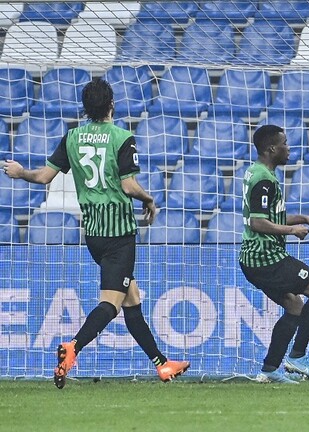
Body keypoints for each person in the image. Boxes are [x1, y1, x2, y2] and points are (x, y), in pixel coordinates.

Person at [3, 78, 189, 388]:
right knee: (111, 304)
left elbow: (45, 176)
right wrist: (149, 199)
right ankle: (72, 347)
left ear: (86, 108)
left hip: (93, 233)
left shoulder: (72, 137)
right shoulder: (122, 137)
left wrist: (20, 172)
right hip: (119, 235)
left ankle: (162, 364)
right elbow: (129, 185)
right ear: (112, 105)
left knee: (131, 299)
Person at [239, 125, 309, 384]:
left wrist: (304, 219)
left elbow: (269, 216)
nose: (288, 148)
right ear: (271, 148)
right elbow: (257, 223)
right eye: (284, 143)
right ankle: (298, 356)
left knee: (294, 306)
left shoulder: (257, 172)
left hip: (254, 260)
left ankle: (269, 370)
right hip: (265, 258)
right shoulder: (264, 179)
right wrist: (292, 229)